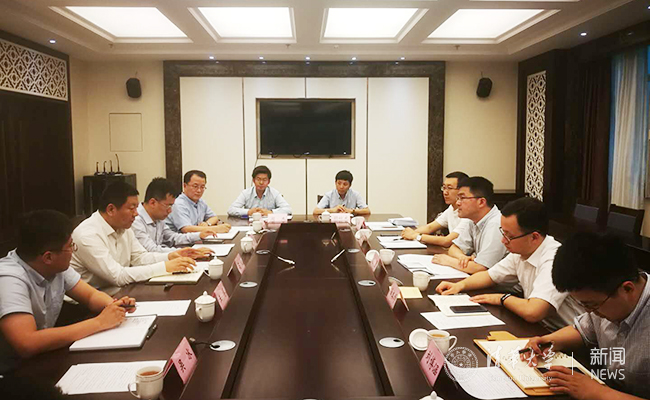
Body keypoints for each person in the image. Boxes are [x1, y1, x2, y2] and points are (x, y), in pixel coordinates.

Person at [0, 210, 136, 374]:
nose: (73, 250)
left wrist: (114, 306)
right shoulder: (9, 279)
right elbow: (27, 343)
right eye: (70, 246)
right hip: (11, 370)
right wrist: (99, 323)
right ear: (48, 257)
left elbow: (90, 296)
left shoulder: (54, 266)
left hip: (42, 357)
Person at [521, 233, 649, 400]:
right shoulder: (606, 299)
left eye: (592, 305)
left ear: (627, 289)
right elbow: (584, 330)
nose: (590, 312)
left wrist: (598, 392)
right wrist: (548, 341)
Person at [435, 197, 583, 330]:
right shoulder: (520, 252)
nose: (503, 240)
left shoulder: (553, 259)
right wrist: (460, 285)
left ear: (534, 237)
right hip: (539, 327)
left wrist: (502, 298)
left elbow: (533, 311)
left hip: (570, 337)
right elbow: (489, 276)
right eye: (503, 233)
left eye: (509, 236)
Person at [70, 182, 199, 294]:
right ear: (111, 209)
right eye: (131, 208)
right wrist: (165, 267)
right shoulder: (88, 235)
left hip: (119, 291)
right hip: (88, 304)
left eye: (136, 208)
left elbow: (140, 257)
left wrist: (170, 256)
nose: (136, 214)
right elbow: (118, 276)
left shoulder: (123, 226)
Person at [431, 176, 508, 274]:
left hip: (502, 283)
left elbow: (481, 268)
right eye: (458, 198)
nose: (458, 203)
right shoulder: (472, 219)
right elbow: (454, 248)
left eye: (462, 198)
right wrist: (462, 258)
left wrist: (448, 261)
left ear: (481, 202)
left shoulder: (496, 224)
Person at [132, 178, 219, 253]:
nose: (170, 211)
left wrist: (199, 235)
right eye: (168, 206)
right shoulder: (135, 220)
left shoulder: (158, 218)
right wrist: (187, 252)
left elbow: (173, 237)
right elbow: (151, 250)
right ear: (153, 203)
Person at [401, 171, 470, 247]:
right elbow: (429, 228)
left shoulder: (468, 214)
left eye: (450, 188)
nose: (445, 192)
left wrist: (416, 236)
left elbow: (447, 241)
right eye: (444, 188)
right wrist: (409, 233)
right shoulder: (451, 208)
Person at [166, 170, 231, 233]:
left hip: (195, 237)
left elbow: (214, 217)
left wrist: (207, 224)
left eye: (202, 187)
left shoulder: (201, 202)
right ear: (185, 186)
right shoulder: (178, 204)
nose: (199, 190)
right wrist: (216, 229)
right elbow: (186, 229)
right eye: (195, 186)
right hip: (177, 239)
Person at [227, 166, 292, 217]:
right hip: (250, 225)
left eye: (264, 180)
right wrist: (248, 212)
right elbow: (231, 209)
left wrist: (271, 212)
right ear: (253, 180)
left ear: (268, 181)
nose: (261, 182)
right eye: (258, 179)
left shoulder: (275, 193)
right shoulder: (246, 193)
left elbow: (288, 209)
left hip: (269, 225)